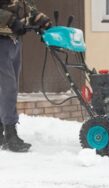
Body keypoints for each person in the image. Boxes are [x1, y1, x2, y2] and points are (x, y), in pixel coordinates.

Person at [0, 0, 51, 152]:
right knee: (8, 88)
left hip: (14, 42)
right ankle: (10, 134)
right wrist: (10, 19)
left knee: (8, 89)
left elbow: (28, 9)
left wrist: (42, 21)